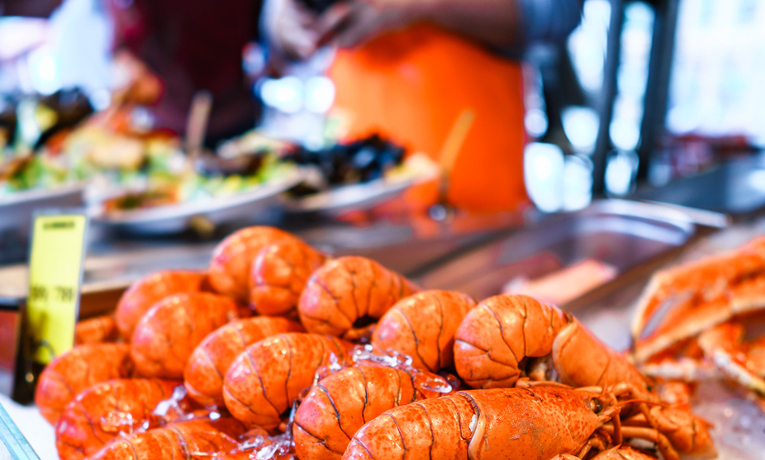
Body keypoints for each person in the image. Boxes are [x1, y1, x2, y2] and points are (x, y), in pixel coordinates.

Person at [263, 0, 584, 212]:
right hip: (354, 190)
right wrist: (283, 22)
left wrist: (419, 4)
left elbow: (556, 14)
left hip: (473, 192)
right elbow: (274, 36)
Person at [2, 0, 266, 147]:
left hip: (240, 117)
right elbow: (124, 49)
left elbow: (266, 30)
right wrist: (129, 70)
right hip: (168, 130)